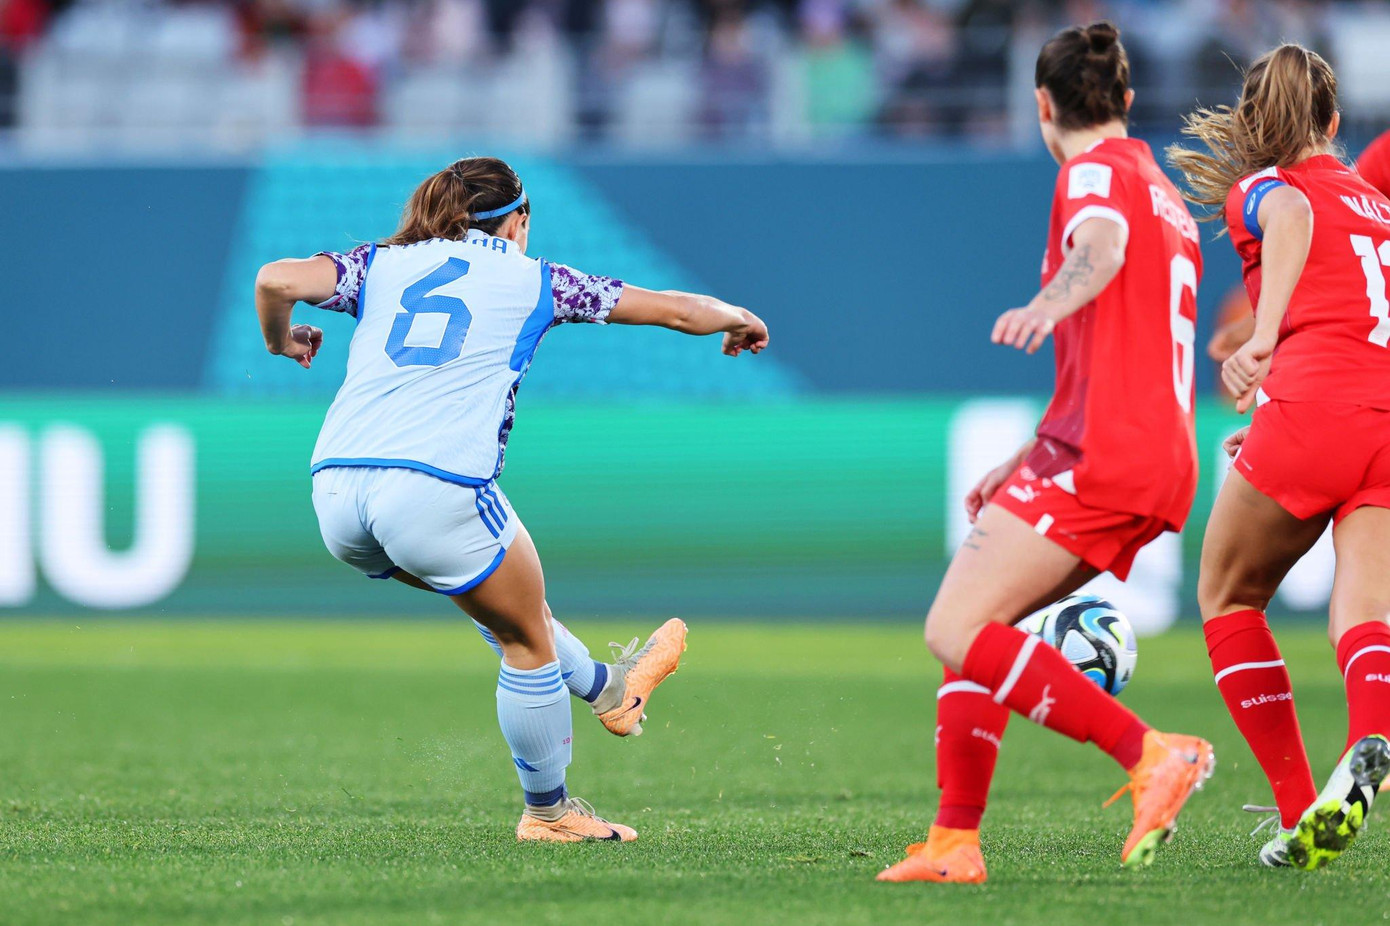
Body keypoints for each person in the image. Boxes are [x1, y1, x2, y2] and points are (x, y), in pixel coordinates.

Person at [253, 156, 770, 842]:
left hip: (336, 493)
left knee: (506, 607)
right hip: (434, 486)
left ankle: (613, 689)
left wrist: (282, 342)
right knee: (525, 638)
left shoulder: (378, 265)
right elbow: (677, 311)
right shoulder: (538, 279)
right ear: (517, 219)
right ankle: (550, 813)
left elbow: (275, 278)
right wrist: (740, 317)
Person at [878, 22, 1212, 885]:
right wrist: (1028, 452)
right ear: (1127, 99)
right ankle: (953, 844)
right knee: (977, 627)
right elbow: (1127, 350)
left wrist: (1045, 304)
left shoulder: (1093, 171)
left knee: (951, 626)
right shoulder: (1167, 196)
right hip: (1150, 450)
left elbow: (1099, 249)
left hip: (1105, 452)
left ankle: (1153, 755)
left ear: (1040, 105)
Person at [1169, 44, 1390, 871]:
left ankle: (1300, 809)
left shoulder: (1264, 187)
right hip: (1381, 421)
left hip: (1313, 414)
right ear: (1333, 121)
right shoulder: (1378, 204)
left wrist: (1262, 346)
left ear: (1256, 123)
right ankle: (1370, 740)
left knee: (1228, 593)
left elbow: (1292, 216)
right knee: (1365, 614)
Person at [1207, 127, 1390, 365]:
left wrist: (1262, 333)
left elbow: (1298, 214)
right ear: (1332, 126)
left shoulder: (1266, 188)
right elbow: (1348, 247)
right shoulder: (1377, 164)